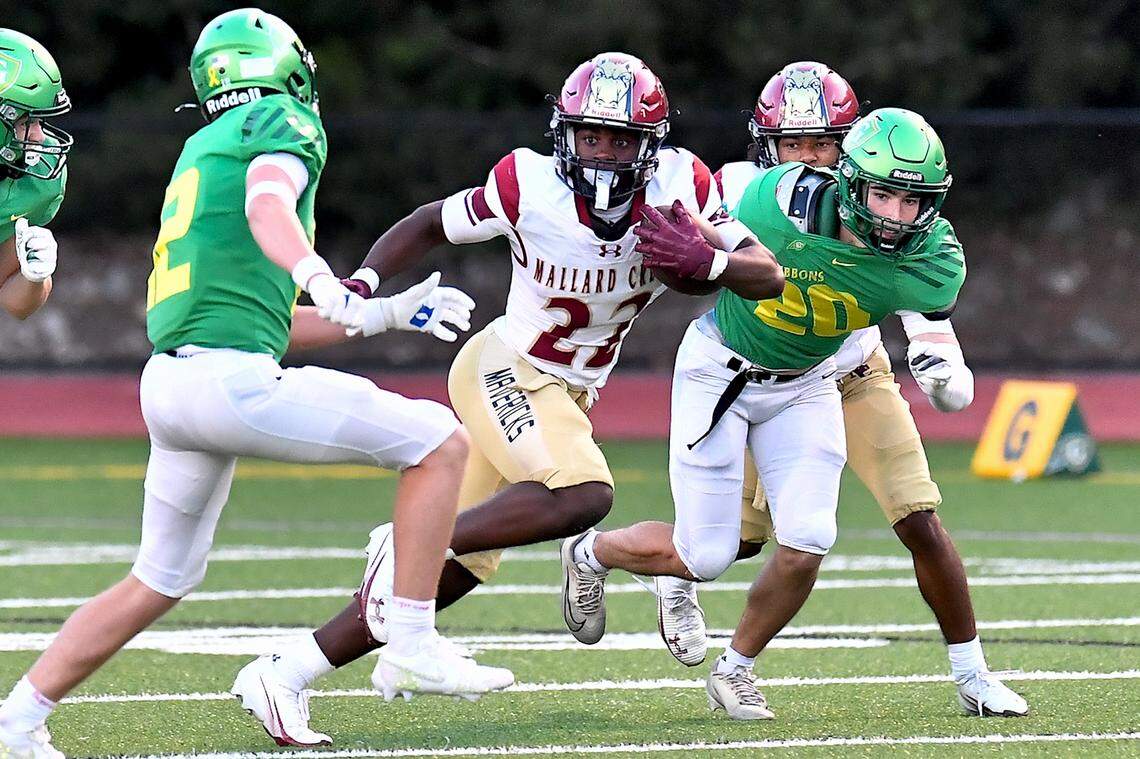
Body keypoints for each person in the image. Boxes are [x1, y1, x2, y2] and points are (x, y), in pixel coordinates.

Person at [233, 51, 783, 746]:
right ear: (565, 134)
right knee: (584, 494)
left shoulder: (683, 184)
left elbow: (767, 275)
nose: (605, 154)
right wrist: (366, 282)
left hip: (568, 392)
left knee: (450, 577)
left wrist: (711, 263)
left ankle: (283, 673)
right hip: (507, 367)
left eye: (621, 139)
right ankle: (407, 538)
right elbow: (432, 220)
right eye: (591, 136)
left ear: (652, 145)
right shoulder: (527, 182)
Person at [0, 10, 511, 756]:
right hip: (223, 387)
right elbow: (269, 202)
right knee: (440, 442)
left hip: (175, 385)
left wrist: (385, 312)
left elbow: (264, 322)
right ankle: (411, 636)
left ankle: (15, 720)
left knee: (159, 577)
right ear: (285, 70)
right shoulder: (281, 120)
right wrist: (315, 270)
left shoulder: (201, 149)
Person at [563, 107, 1022, 721]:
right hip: (721, 373)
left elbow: (931, 326)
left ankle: (735, 671)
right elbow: (711, 240)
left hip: (809, 384)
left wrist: (946, 380)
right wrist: (699, 243)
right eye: (882, 193)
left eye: (911, 201)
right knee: (709, 554)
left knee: (808, 540)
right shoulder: (778, 199)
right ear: (850, 181)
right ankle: (590, 553)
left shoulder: (932, 258)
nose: (893, 214)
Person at [0, 28, 71, 322]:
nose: (40, 137)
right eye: (26, 121)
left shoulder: (35, 183)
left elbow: (14, 302)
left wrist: (34, 276)